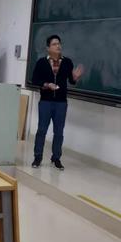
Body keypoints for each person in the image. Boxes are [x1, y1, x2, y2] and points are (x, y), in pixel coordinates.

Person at [31, 34, 84, 170]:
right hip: (46, 102)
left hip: (61, 102)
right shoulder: (41, 62)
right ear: (48, 48)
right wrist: (47, 84)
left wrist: (75, 77)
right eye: (54, 44)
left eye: (59, 43)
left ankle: (56, 158)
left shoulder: (67, 62)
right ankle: (37, 157)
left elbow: (71, 80)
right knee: (42, 130)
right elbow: (35, 80)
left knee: (59, 132)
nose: (58, 46)